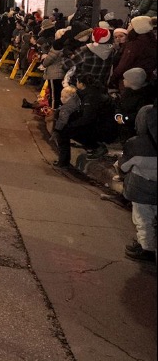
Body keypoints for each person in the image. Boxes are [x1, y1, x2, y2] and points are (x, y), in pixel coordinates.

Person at [52, 73, 116, 167]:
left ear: (82, 84)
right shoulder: (91, 92)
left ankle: (95, 147)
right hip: (101, 125)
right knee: (64, 125)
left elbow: (88, 118)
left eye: (77, 81)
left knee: (64, 131)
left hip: (102, 128)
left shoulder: (91, 96)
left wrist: (70, 125)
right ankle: (65, 160)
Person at [119, 104, 156, 263]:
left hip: (141, 187)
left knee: (142, 219)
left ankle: (146, 248)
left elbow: (124, 165)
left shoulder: (136, 143)